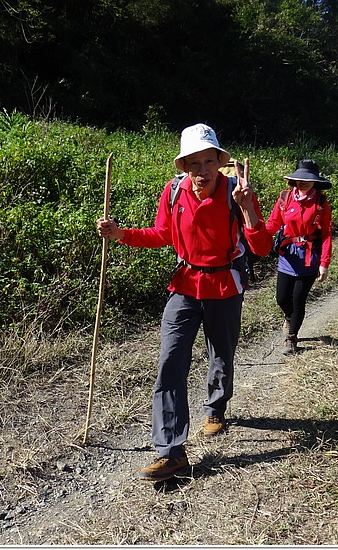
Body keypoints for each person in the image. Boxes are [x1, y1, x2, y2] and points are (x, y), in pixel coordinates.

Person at [96, 123, 273, 482]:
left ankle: (216, 406)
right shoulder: (174, 191)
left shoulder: (236, 192)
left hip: (224, 284)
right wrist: (121, 234)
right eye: (193, 163)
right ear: (184, 167)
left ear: (220, 162)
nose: (201, 170)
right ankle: (171, 452)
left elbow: (262, 248)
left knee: (220, 352)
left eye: (209, 161)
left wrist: (248, 210)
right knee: (170, 362)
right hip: (185, 285)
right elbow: (162, 233)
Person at [266, 159, 333, 355]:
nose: (302, 182)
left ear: (315, 182)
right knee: (282, 298)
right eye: (299, 179)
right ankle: (290, 317)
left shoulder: (321, 203)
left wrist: (324, 263)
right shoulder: (285, 198)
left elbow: (327, 234)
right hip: (288, 255)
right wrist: (254, 231)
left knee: (298, 299)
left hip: (310, 257)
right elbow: (272, 224)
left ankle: (291, 338)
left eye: (307, 179)